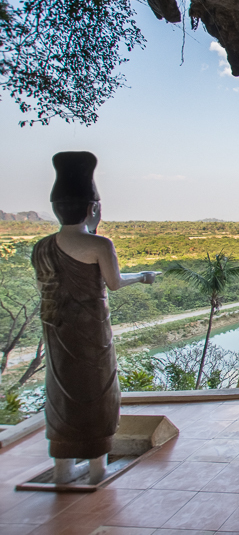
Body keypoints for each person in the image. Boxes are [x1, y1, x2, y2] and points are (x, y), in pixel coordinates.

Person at [32, 152, 157, 484]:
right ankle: (97, 467)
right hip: (90, 332)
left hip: (56, 332)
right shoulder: (99, 244)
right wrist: (143, 276)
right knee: (97, 391)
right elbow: (114, 282)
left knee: (60, 390)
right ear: (93, 208)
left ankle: (62, 469)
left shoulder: (42, 247)